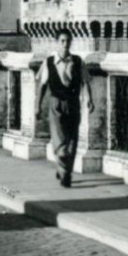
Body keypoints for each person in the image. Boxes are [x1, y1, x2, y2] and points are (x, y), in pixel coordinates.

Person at [35, 32, 94, 188]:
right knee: (60, 141)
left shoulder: (77, 61)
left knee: (72, 140)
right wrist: (38, 106)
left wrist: (90, 100)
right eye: (62, 41)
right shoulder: (49, 62)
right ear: (57, 42)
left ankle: (65, 171)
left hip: (73, 103)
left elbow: (85, 82)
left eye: (68, 41)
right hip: (56, 104)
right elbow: (42, 85)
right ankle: (64, 172)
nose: (65, 44)